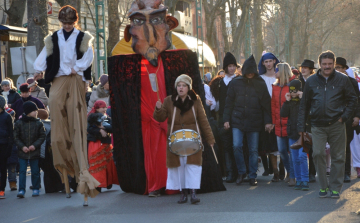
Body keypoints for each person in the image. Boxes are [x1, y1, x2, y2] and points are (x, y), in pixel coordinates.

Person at [33, 5, 99, 201]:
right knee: (55, 111)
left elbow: (89, 57)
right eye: (64, 23)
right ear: (61, 22)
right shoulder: (52, 38)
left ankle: (82, 171)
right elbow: (44, 57)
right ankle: (65, 164)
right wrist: (38, 70)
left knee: (76, 123)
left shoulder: (84, 37)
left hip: (76, 79)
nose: (68, 26)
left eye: (70, 23)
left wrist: (77, 68)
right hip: (58, 80)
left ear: (75, 22)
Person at [298, 50, 357, 199]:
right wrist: (301, 127)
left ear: (334, 64)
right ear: (319, 64)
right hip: (317, 125)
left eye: (330, 64)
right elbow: (304, 104)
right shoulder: (311, 81)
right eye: (324, 64)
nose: (327, 66)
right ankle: (323, 186)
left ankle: (335, 188)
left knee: (338, 157)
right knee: (317, 154)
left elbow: (353, 100)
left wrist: (344, 117)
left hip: (337, 124)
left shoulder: (343, 79)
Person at [154, 74, 215, 204]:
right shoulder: (169, 100)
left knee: (193, 166)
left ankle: (193, 193)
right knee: (179, 167)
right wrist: (159, 109)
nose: (181, 88)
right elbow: (160, 118)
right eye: (179, 86)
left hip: (192, 139)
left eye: (183, 86)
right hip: (175, 140)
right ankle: (182, 193)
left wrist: (210, 139)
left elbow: (203, 121)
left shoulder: (196, 100)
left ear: (188, 87)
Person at [223, 55, 272, 186]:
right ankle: (241, 172)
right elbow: (229, 103)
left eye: (252, 72)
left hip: (255, 121)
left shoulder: (260, 83)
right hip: (237, 120)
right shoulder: (235, 82)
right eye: (248, 72)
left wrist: (268, 121)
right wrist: (226, 119)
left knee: (253, 150)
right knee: (237, 146)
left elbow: (266, 104)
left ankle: (252, 175)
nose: (250, 74)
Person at [335, 57, 360, 183]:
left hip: (349, 118)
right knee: (335, 147)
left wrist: (357, 116)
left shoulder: (352, 82)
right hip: (334, 118)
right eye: (336, 67)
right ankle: (336, 173)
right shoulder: (331, 81)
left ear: (345, 69)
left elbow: (357, 101)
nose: (337, 70)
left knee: (345, 146)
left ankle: (346, 172)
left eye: (339, 67)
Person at [281, 79, 309, 190]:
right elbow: (283, 114)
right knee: (295, 158)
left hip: (304, 133)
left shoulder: (305, 101)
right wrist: (287, 101)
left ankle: (305, 180)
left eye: (295, 91)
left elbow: (308, 112)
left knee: (302, 157)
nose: (293, 94)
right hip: (292, 133)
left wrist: (303, 100)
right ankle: (298, 180)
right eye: (291, 91)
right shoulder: (290, 102)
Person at [14, 101, 46, 198]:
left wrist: (34, 146)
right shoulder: (19, 123)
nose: (36, 112)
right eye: (34, 111)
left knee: (35, 171)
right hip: (22, 152)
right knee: (22, 171)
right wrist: (22, 146)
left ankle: (36, 188)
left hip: (34, 151)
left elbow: (42, 136)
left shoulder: (38, 123)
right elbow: (16, 137)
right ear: (28, 112)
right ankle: (21, 190)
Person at [258, 52, 281, 180]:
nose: (268, 64)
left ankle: (283, 170)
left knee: (283, 144)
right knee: (272, 144)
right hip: (266, 113)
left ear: (274, 62)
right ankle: (275, 171)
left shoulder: (279, 77)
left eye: (270, 61)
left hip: (280, 112)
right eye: (265, 62)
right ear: (263, 63)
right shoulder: (260, 78)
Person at [272, 62, 295, 186]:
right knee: (282, 150)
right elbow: (274, 105)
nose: (274, 72)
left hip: (290, 124)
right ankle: (289, 171)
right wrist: (273, 122)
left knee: (291, 151)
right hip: (279, 124)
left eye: (277, 70)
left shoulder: (293, 85)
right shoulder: (275, 86)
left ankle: (292, 175)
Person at [87, 100, 119, 191]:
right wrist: (99, 130)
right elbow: (89, 129)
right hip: (95, 143)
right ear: (97, 108)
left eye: (105, 107)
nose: (105, 109)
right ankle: (97, 184)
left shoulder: (107, 118)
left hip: (105, 144)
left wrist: (103, 127)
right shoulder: (91, 117)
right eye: (102, 107)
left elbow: (113, 128)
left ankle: (108, 182)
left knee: (108, 164)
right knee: (97, 164)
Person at [298, 59, 317, 183]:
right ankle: (302, 173)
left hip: (313, 117)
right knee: (302, 146)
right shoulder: (297, 82)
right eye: (302, 67)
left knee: (314, 147)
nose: (303, 69)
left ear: (311, 69)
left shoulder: (316, 81)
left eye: (306, 67)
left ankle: (312, 173)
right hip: (300, 117)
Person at [0, 95, 14, 199]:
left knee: (3, 169)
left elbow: (11, 134)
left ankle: (1, 190)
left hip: (4, 146)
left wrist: (9, 148)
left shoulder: (7, 116)